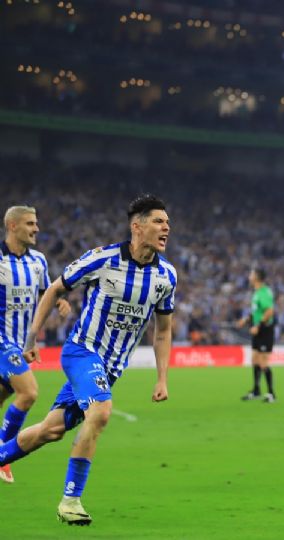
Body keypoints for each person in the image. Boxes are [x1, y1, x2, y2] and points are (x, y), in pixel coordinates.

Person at [0, 194, 176, 525]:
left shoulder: (166, 276)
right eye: (158, 221)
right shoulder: (103, 258)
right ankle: (71, 500)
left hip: (109, 369)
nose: (167, 227)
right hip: (82, 351)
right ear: (136, 227)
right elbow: (55, 289)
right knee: (102, 411)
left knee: (49, 431)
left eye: (167, 222)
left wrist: (162, 377)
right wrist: (33, 336)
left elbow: (163, 331)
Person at [0, 205, 70, 483]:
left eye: (36, 223)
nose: (36, 229)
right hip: (1, 339)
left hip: (20, 343)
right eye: (30, 223)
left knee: (4, 395)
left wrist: (60, 301)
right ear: (13, 226)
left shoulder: (38, 261)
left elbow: (46, 293)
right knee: (28, 393)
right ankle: (3, 456)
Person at [238, 268, 276, 402]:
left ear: (257, 277)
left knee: (263, 362)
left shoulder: (264, 292)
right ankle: (256, 390)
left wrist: (258, 326)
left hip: (264, 329)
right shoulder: (257, 293)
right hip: (257, 329)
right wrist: (246, 319)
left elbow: (269, 311)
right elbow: (257, 311)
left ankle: (271, 394)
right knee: (254, 359)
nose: (249, 277)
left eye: (251, 274)